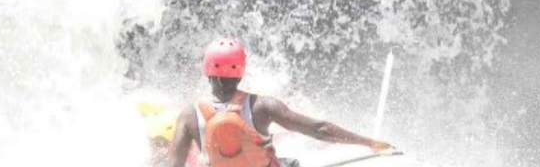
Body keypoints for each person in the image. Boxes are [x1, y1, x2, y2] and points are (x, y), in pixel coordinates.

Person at [167, 38, 395, 167]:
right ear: (241, 72)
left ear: (206, 69)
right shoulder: (263, 107)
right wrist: (369, 142)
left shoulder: (189, 116)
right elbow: (320, 130)